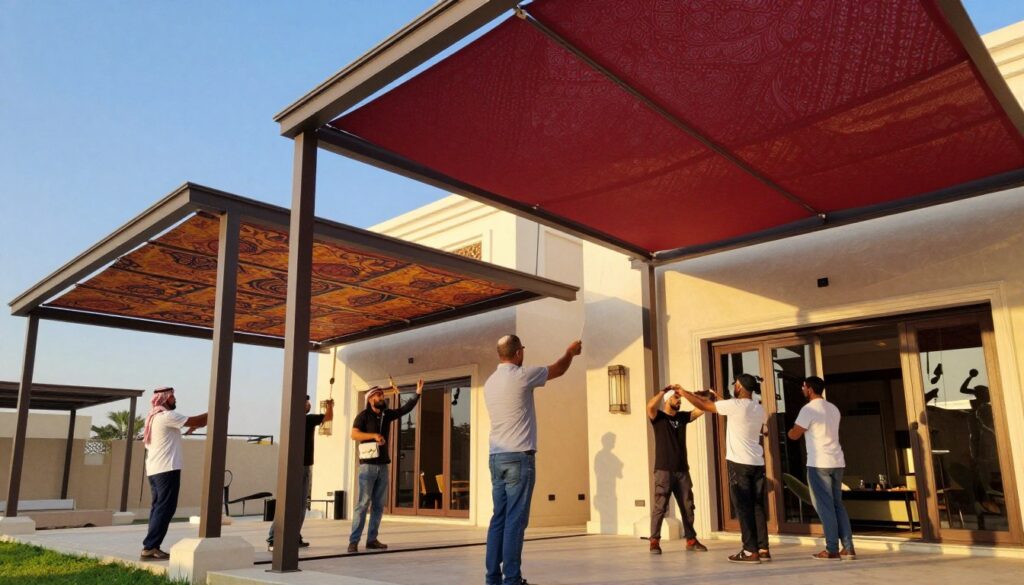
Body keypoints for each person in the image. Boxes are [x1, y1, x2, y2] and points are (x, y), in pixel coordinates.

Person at [484, 335, 582, 585]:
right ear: (518, 353)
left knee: (499, 518)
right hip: (519, 457)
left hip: (496, 457)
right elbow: (558, 369)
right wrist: (570, 351)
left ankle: (493, 578)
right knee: (515, 520)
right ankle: (512, 580)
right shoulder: (522, 375)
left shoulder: (490, 382)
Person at [680, 374, 769, 564]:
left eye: (735, 385)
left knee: (743, 507)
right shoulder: (758, 408)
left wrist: (683, 392)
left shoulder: (736, 406)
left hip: (740, 464)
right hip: (757, 463)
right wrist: (715, 395)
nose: (734, 387)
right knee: (757, 506)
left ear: (740, 387)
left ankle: (749, 551)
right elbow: (729, 408)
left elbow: (705, 406)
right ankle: (762, 548)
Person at [348, 379, 423, 553]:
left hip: (382, 466)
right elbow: (354, 434)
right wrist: (374, 435)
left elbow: (404, 409)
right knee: (363, 504)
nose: (382, 397)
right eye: (378, 395)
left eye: (382, 395)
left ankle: (372, 539)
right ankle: (353, 541)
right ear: (370, 399)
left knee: (378, 505)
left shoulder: (386, 415)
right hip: (367, 466)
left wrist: (417, 393)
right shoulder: (363, 416)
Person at [787, 376, 856, 560]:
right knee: (837, 505)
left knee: (825, 507)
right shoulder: (833, 408)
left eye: (804, 387)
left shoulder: (808, 409)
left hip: (819, 464)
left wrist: (789, 432)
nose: (803, 390)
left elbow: (795, 434)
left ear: (809, 389)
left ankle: (832, 548)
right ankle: (848, 547)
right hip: (837, 461)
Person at [140, 387, 207, 560]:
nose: (174, 400)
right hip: (166, 469)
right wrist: (216, 409)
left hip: (155, 470)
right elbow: (198, 420)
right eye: (172, 397)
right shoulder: (167, 416)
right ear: (166, 399)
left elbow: (198, 423)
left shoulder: (154, 417)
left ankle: (150, 545)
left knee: (159, 508)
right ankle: (151, 546)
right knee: (165, 508)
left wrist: (197, 423)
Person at [267, 394, 333, 551]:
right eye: (306, 402)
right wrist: (331, 405)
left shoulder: (291, 420)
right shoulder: (307, 420)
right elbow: (328, 417)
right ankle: (274, 538)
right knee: (296, 504)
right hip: (299, 467)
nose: (308, 404)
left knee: (295, 504)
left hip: (295, 465)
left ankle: (292, 536)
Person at [647, 384, 707, 554]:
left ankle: (691, 540)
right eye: (676, 398)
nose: (679, 402)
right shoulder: (658, 417)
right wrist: (662, 391)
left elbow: (701, 410)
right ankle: (654, 541)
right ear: (667, 400)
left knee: (688, 506)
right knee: (660, 506)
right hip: (663, 470)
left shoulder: (682, 417)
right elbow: (650, 406)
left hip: (682, 470)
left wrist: (688, 394)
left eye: (679, 399)